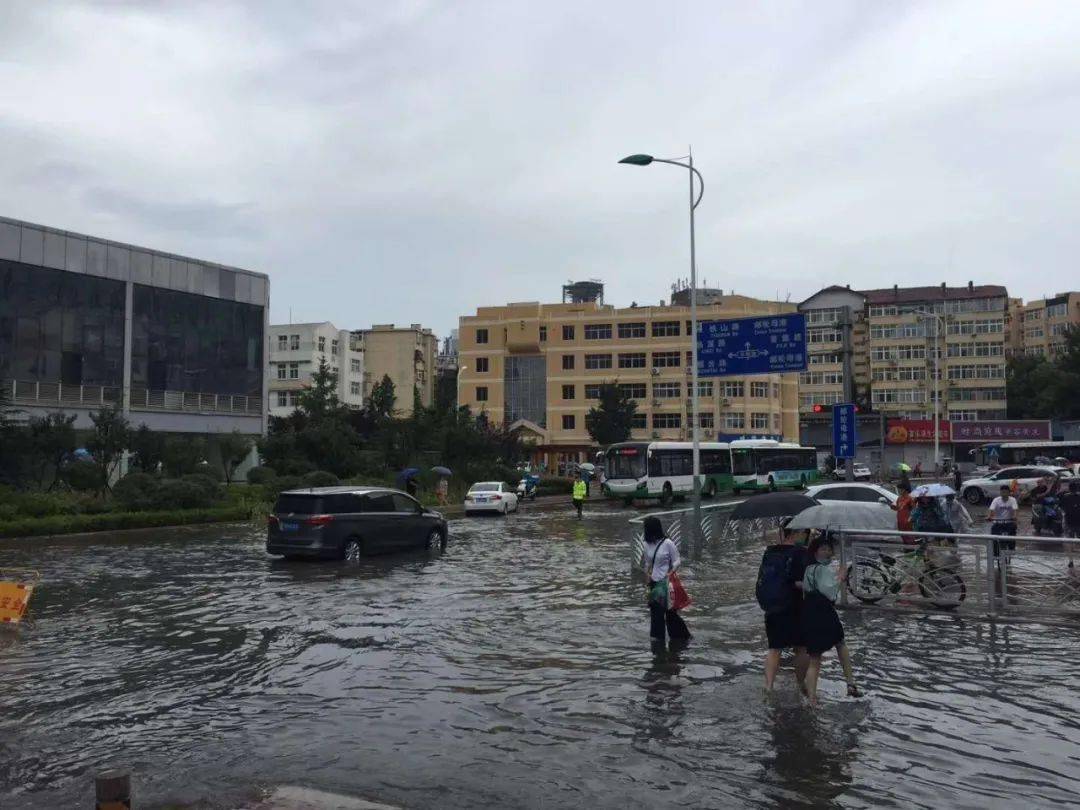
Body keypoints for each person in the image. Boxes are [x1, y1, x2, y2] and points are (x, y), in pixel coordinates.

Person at [801, 534, 860, 706]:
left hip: (809, 611)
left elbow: (805, 589)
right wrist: (840, 577)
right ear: (816, 551)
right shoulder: (824, 570)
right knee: (840, 643)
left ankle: (811, 699)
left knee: (814, 657)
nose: (827, 552)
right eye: (823, 549)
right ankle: (851, 683)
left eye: (829, 549)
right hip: (824, 612)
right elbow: (830, 594)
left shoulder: (808, 569)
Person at [756, 521, 809, 693]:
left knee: (774, 649)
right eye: (804, 532)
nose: (806, 535)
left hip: (772, 607)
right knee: (801, 648)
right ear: (795, 532)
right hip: (794, 606)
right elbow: (801, 582)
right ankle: (802, 686)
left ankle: (768, 687)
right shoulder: (801, 553)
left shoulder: (770, 552)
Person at [640, 516, 691, 647]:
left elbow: (677, 560)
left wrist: (670, 573)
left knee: (670, 613)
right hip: (654, 583)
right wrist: (647, 580)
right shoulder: (646, 544)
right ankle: (658, 642)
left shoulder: (668, 543)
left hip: (666, 583)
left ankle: (681, 637)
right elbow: (647, 563)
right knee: (656, 614)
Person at [989, 484, 1019, 557]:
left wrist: (1015, 517)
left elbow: (1015, 510)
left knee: (1013, 533)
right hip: (998, 522)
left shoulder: (1012, 500)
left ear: (1009, 493)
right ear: (1000, 492)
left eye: (1006, 492)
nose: (1004, 494)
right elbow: (992, 510)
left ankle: (1012, 550)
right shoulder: (996, 500)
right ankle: (995, 555)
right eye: (1002, 492)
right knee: (994, 536)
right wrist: (990, 516)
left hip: (1009, 522)